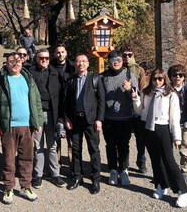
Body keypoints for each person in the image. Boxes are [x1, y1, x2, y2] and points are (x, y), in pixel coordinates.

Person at [0, 52, 44, 205]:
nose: (15, 63)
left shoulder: (28, 79)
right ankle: (8, 187)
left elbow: (36, 102)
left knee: (27, 158)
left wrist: (38, 122)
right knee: (8, 159)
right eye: (11, 61)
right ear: (6, 63)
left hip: (27, 126)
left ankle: (26, 186)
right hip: (9, 127)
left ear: (22, 62)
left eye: (18, 60)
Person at [132, 67, 187, 208]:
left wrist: (177, 137)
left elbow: (175, 117)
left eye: (160, 79)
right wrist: (136, 100)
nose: (157, 81)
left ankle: (183, 192)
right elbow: (140, 111)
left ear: (165, 79)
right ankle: (161, 185)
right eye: (154, 79)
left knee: (169, 161)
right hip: (147, 127)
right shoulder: (146, 92)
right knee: (155, 160)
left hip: (163, 128)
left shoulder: (170, 95)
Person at [64, 54, 105, 195]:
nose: (80, 64)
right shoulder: (71, 80)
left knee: (94, 149)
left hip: (91, 120)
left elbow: (101, 101)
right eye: (78, 61)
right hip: (75, 120)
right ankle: (77, 176)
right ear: (75, 64)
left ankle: (95, 179)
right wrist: (67, 119)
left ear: (87, 64)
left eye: (83, 61)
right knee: (75, 149)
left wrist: (99, 119)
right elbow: (66, 102)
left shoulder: (95, 79)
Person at [29, 48, 66, 189]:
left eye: (46, 58)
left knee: (52, 145)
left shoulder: (55, 73)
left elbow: (62, 95)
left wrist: (61, 117)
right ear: (37, 59)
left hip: (52, 113)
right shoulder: (30, 74)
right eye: (41, 58)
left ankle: (55, 174)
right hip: (37, 113)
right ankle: (38, 174)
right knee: (38, 145)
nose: (44, 60)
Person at [101, 50, 138, 186]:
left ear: (122, 61)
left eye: (118, 60)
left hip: (125, 117)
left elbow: (136, 97)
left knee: (124, 145)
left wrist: (129, 89)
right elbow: (99, 98)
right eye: (112, 60)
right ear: (108, 62)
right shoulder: (102, 77)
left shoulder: (129, 75)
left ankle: (124, 169)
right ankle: (113, 170)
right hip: (108, 118)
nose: (115, 63)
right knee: (110, 145)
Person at [120, 44, 148, 174]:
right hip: (122, 109)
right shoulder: (117, 68)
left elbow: (143, 89)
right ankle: (123, 162)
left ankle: (141, 160)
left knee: (140, 138)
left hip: (136, 109)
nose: (127, 57)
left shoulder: (139, 70)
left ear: (133, 55)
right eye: (124, 55)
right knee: (123, 138)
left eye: (129, 55)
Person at [168, 64, 187, 177]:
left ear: (184, 77)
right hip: (168, 123)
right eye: (175, 75)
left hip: (184, 124)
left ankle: (185, 171)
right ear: (170, 77)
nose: (178, 77)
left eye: (181, 75)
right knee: (167, 149)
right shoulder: (166, 90)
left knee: (185, 147)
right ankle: (169, 171)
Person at [50, 44, 76, 174]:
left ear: (66, 53)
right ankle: (57, 166)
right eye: (58, 52)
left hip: (70, 106)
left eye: (62, 52)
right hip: (55, 106)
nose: (60, 54)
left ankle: (72, 167)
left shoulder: (73, 67)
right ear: (55, 54)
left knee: (71, 140)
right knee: (56, 139)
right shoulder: (50, 67)